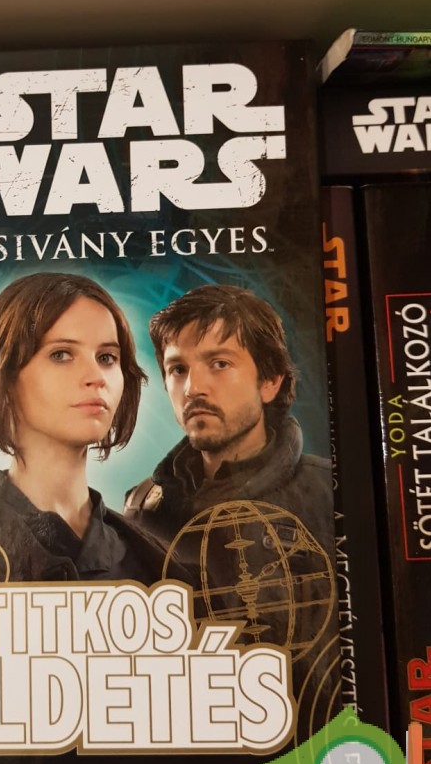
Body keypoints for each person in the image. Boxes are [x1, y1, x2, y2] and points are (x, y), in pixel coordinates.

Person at [124, 284, 337, 692]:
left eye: (219, 363)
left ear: (270, 381)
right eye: (177, 369)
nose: (193, 388)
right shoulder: (141, 504)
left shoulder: (329, 493)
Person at [0, 272, 179, 585]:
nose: (96, 376)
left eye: (107, 357)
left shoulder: (159, 566)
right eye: (61, 354)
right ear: (5, 377)